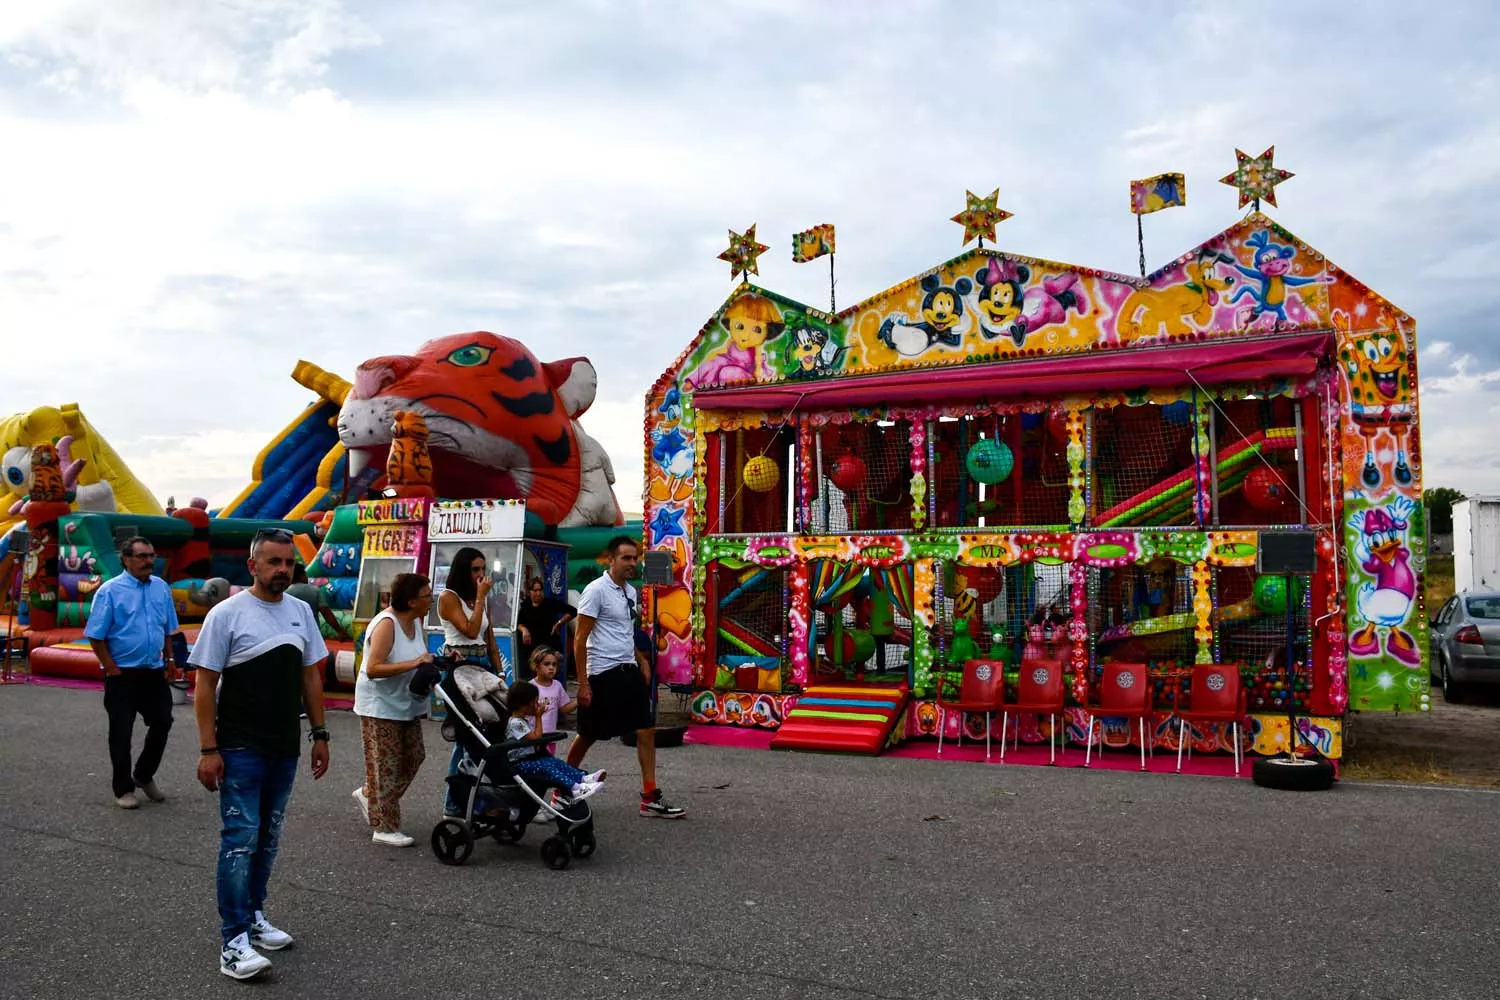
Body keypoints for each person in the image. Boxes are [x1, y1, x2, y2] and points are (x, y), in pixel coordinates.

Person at [189, 528, 330, 982]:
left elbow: (311, 677)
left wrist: (321, 734)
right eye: (273, 562)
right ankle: (233, 942)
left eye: (288, 563)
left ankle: (253, 915)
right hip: (239, 747)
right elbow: (204, 686)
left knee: (267, 837)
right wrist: (208, 749)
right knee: (240, 839)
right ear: (252, 566)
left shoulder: (301, 612)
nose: (283, 570)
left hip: (283, 746)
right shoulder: (226, 614)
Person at [568, 536, 686, 819]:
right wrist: (583, 683)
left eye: (635, 558)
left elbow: (622, 631)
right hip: (602, 673)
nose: (632, 563)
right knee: (588, 734)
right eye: (626, 558)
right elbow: (580, 639)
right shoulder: (595, 591)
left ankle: (649, 797)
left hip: (628, 671)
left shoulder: (630, 592)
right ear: (611, 559)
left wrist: (641, 659)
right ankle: (563, 787)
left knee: (645, 730)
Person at [85, 535, 180, 809]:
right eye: (142, 556)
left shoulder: (161, 588)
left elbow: (167, 629)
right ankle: (123, 788)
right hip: (122, 675)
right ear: (126, 559)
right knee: (121, 733)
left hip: (153, 671)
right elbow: (96, 635)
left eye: (151, 556)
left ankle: (143, 775)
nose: (149, 561)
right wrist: (110, 667)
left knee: (163, 722)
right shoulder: (109, 591)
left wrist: (171, 660)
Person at [351, 573, 435, 848]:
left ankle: (370, 795)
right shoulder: (387, 624)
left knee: (414, 757)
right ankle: (384, 826)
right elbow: (373, 668)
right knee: (386, 765)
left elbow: (419, 657)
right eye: (426, 595)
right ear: (412, 601)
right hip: (380, 703)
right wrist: (414, 663)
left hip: (404, 702)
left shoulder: (416, 621)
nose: (430, 599)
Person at [437, 546, 503, 815]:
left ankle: (482, 796)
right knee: (466, 735)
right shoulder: (448, 597)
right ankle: (455, 802)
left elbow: (488, 638)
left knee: (490, 730)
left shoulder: (480, 598)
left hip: (482, 664)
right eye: (475, 569)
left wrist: (499, 672)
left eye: (483, 569)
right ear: (463, 570)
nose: (480, 575)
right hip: (459, 668)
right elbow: (470, 629)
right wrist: (480, 597)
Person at [504, 681, 604, 801]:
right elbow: (536, 738)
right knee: (548, 768)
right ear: (525, 705)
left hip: (531, 758)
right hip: (520, 763)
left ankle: (583, 778)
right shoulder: (516, 723)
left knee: (555, 762)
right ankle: (575, 788)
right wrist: (538, 717)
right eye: (535, 702)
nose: (537, 705)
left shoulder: (522, 721)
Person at [515, 577, 576, 681]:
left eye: (540, 590)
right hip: (533, 651)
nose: (538, 593)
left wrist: (559, 623)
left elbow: (573, 611)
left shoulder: (550, 604)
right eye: (535, 590)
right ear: (530, 591)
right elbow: (518, 623)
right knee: (535, 680)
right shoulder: (525, 606)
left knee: (550, 679)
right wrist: (524, 630)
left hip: (550, 647)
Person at [288, 563, 352, 642]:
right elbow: (326, 613)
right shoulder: (314, 591)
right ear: (302, 575)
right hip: (312, 634)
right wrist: (340, 631)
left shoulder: (285, 593)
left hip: (291, 634)